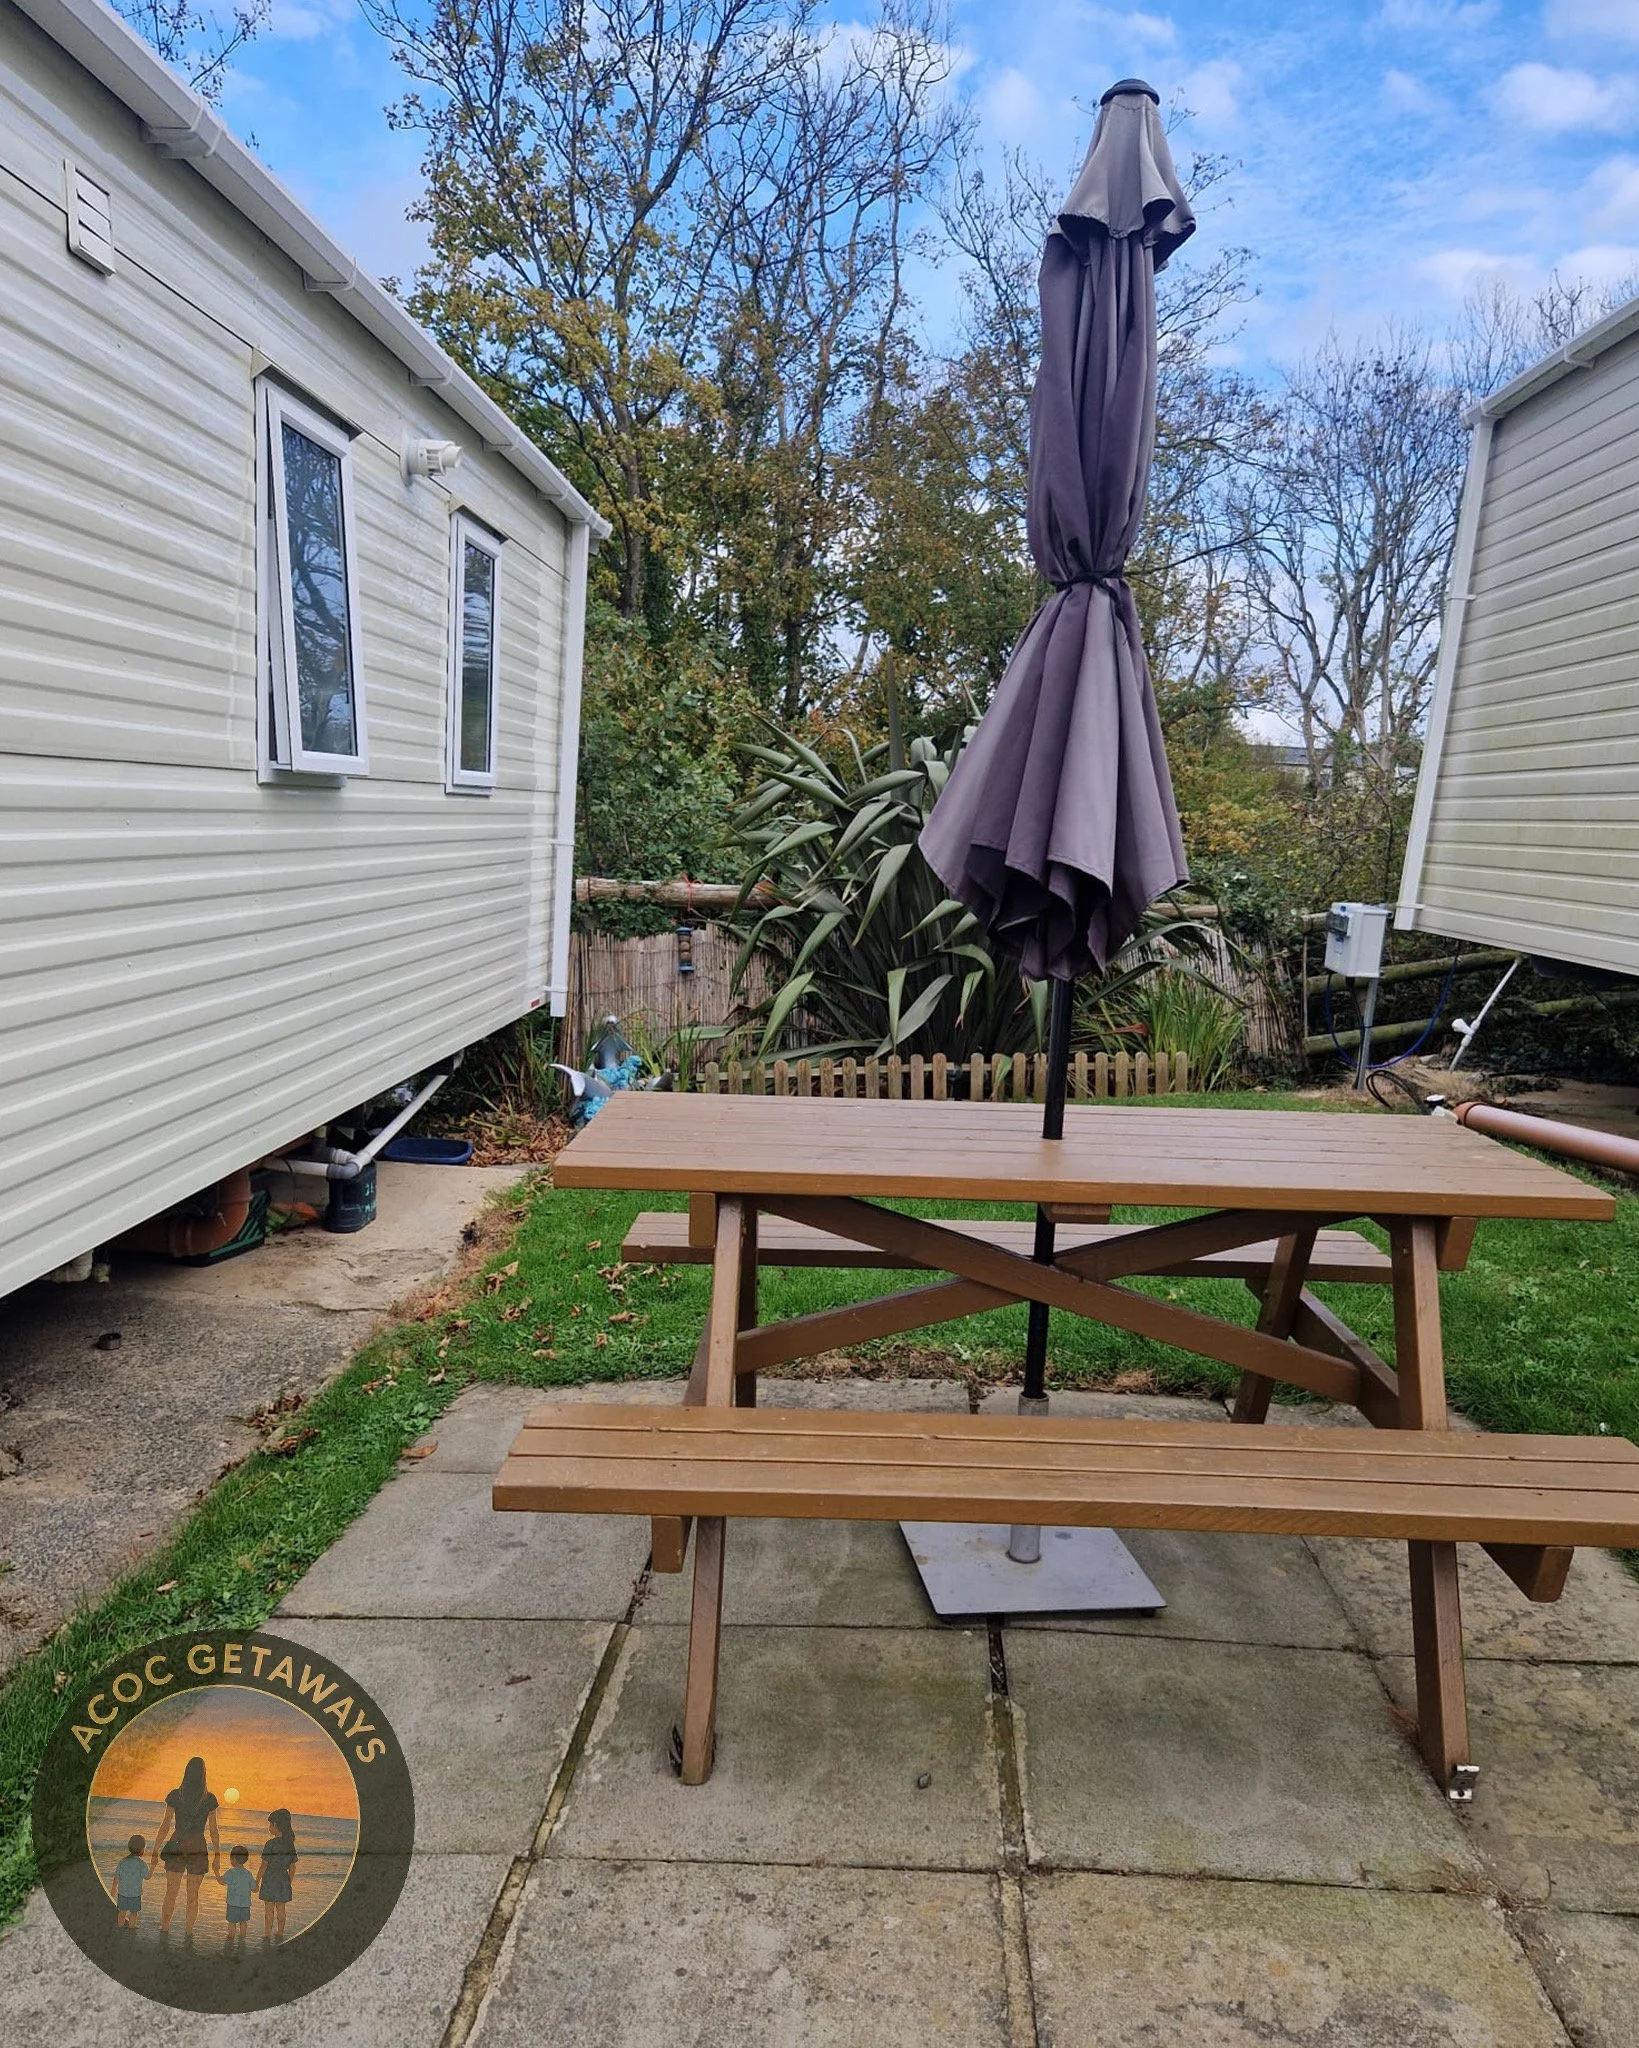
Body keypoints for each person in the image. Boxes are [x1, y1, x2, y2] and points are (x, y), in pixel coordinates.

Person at [150, 1756, 221, 1936]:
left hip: (177, 1843)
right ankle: (188, 1933)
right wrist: (218, 1855)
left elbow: (166, 1824)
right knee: (192, 1896)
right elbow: (213, 1830)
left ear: (186, 1772)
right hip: (197, 1846)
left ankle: (164, 1928)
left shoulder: (176, 1795)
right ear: (203, 1774)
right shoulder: (209, 1798)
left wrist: (155, 1849)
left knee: (171, 1893)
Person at [256, 1809, 297, 1941]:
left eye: (270, 1825)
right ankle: (280, 1933)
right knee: (281, 1909)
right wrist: (288, 1881)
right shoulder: (290, 1844)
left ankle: (267, 1934)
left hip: (269, 1879)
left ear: (275, 1825)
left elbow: (263, 1865)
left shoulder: (270, 1844)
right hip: (283, 1879)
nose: (269, 1828)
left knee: (269, 1910)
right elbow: (292, 1866)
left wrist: (256, 1881)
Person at [215, 1843, 254, 1947]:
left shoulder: (231, 1872)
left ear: (233, 1859)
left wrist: (216, 1872)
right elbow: (254, 1888)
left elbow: (221, 1882)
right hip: (245, 1904)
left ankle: (231, 1939)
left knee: (232, 1923)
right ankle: (242, 1940)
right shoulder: (248, 1874)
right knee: (243, 1923)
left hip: (233, 1903)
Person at [114, 1833, 148, 1928]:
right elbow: (147, 1876)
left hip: (123, 1892)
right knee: (134, 1913)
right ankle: (131, 1926)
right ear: (142, 1850)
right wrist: (153, 1867)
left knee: (122, 1912)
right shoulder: (142, 1864)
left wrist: (113, 1889)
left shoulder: (123, 1861)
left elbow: (117, 1876)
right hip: (135, 1894)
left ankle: (120, 1926)